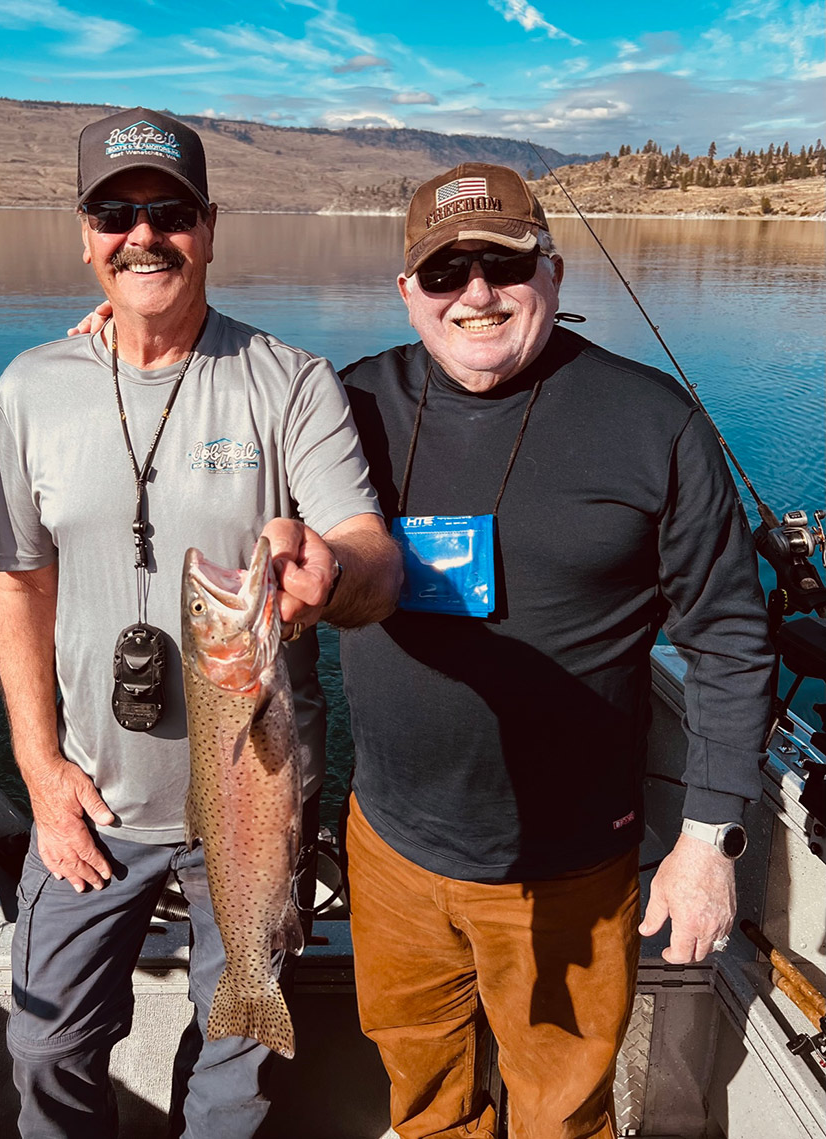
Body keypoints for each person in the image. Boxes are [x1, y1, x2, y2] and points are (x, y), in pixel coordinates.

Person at [0, 105, 400, 1139]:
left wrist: (333, 567)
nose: (142, 234)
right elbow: (18, 586)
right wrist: (41, 771)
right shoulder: (29, 389)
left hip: (254, 811)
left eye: (166, 210)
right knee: (45, 1046)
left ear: (208, 225)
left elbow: (374, 558)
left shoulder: (291, 381)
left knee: (239, 1059)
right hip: (93, 806)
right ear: (84, 235)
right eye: (115, 212)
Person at [336, 164, 774, 1139]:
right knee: (421, 1091)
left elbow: (731, 634)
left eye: (503, 261)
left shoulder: (656, 422)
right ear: (409, 291)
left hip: (573, 861)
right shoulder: (343, 407)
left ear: (553, 270)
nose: (477, 291)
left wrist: (707, 840)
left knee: (562, 1106)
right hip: (391, 849)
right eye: (446, 271)